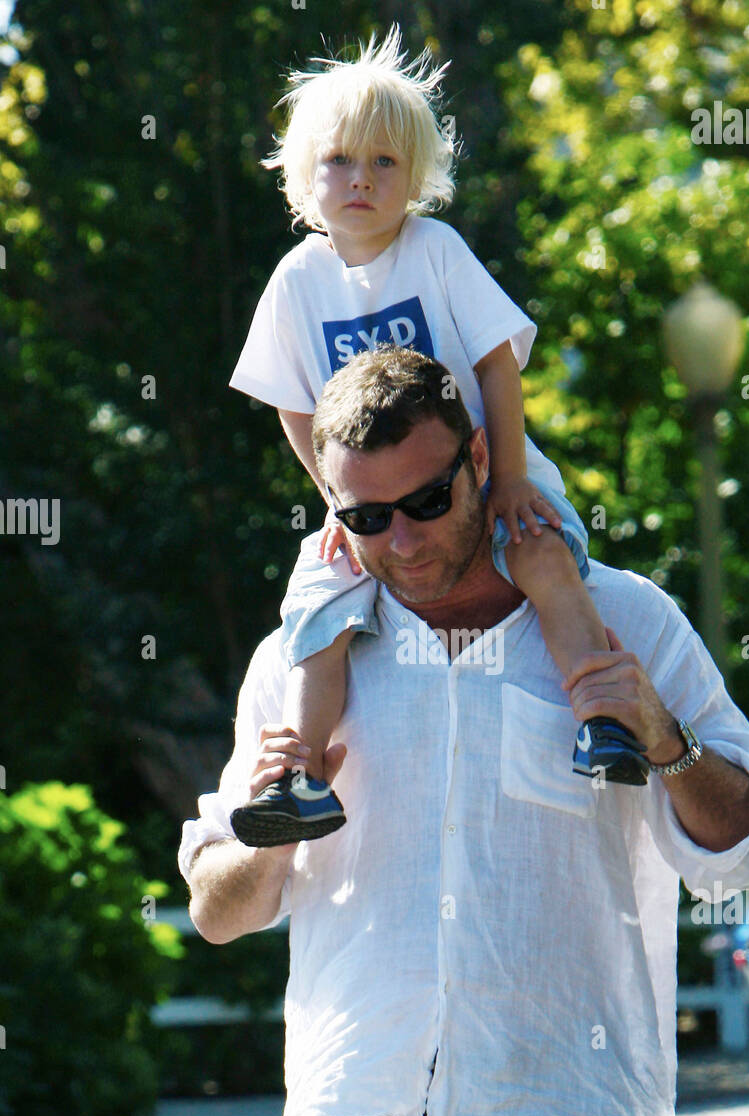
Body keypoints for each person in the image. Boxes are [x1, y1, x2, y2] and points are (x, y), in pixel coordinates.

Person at [179, 346, 749, 1116]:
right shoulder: (305, 658)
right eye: (367, 519)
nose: (406, 543)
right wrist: (274, 832)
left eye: (426, 503)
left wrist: (664, 740)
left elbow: (746, 850)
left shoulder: (617, 617)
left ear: (478, 456)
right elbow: (219, 912)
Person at [226, 24, 647, 850]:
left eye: (386, 162)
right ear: (304, 176)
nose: (361, 179)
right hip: (371, 504)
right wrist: (340, 509)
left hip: (482, 471)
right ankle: (302, 776)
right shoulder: (297, 282)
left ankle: (605, 719)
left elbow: (497, 367)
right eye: (341, 160)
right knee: (320, 602)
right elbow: (293, 406)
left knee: (542, 555)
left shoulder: (435, 251)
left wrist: (515, 479)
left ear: (416, 178)